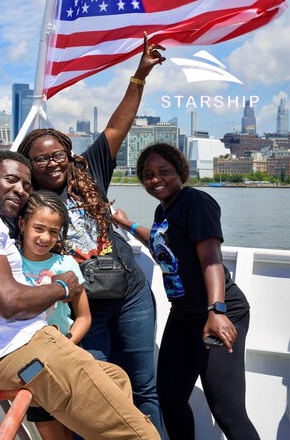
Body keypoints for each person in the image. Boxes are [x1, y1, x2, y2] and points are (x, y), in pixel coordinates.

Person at [0, 150, 160, 440]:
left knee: (116, 378)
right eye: (11, 180)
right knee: (142, 435)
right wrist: (63, 287)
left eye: (27, 186)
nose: (20, 190)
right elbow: (9, 304)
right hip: (22, 349)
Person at [17, 32, 166, 438]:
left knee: (145, 387)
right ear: (29, 165)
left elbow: (120, 124)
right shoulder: (27, 202)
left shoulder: (90, 171)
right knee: (96, 393)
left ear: (68, 153)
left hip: (131, 293)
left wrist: (140, 74)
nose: (52, 162)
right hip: (86, 307)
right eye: (41, 158)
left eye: (57, 154)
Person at [111, 143, 260, 440]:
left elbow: (211, 260)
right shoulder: (163, 208)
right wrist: (126, 223)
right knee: (170, 397)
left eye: (164, 172)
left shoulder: (196, 203)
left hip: (219, 311)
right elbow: (161, 246)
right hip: (183, 316)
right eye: (149, 175)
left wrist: (216, 311)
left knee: (228, 411)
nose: (156, 180)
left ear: (181, 171)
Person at [18, 190, 91, 440]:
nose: (45, 237)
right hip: (32, 368)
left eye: (53, 231)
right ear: (22, 224)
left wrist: (64, 346)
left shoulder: (67, 264)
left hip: (66, 358)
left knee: (73, 431)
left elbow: (83, 317)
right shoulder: (10, 263)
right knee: (50, 432)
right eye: (38, 228)